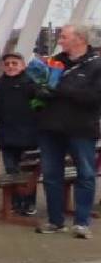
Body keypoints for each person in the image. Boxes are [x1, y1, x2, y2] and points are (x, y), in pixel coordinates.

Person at [32, 23, 101, 239]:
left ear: (80, 39)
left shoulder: (96, 65)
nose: (60, 40)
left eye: (63, 37)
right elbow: (40, 89)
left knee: (86, 174)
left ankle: (81, 223)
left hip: (81, 129)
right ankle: (55, 221)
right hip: (50, 128)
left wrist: (59, 88)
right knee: (51, 175)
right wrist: (40, 90)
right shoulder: (55, 63)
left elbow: (93, 98)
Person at [0, 53, 40, 216]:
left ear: (23, 65)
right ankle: (13, 203)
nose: (11, 66)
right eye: (7, 64)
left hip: (29, 138)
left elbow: (41, 109)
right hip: (6, 138)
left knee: (28, 173)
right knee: (11, 172)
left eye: (15, 63)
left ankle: (28, 203)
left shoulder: (32, 84)